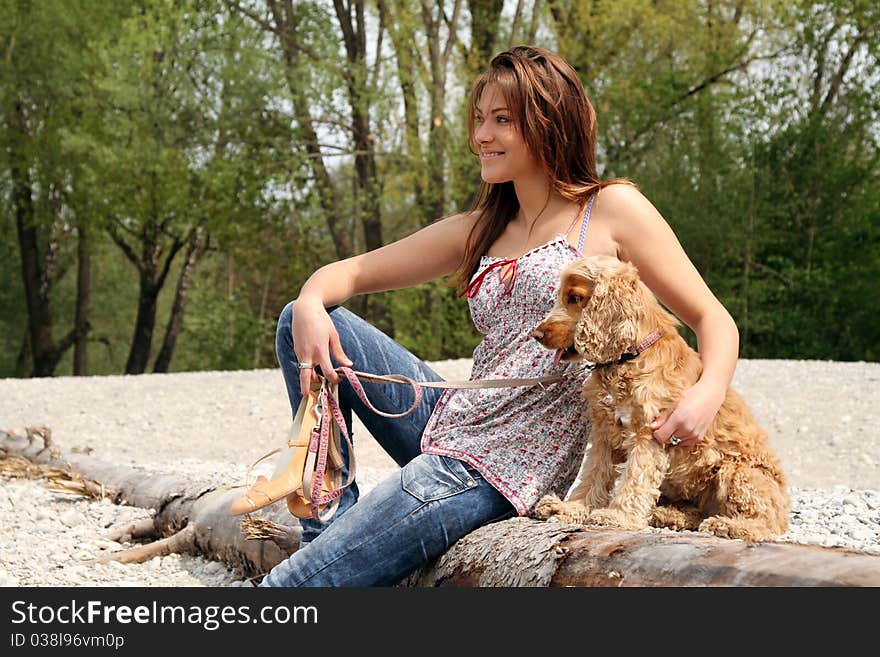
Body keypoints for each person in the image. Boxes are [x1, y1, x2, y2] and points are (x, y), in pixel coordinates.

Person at [259, 45, 739, 587]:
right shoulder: (483, 227)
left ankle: (323, 570)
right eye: (480, 120)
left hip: (507, 463)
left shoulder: (610, 211)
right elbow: (350, 273)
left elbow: (712, 317)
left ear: (549, 123)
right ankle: (327, 529)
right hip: (451, 416)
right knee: (299, 318)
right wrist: (310, 295)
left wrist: (707, 392)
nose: (482, 135)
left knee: (292, 588)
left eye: (502, 120)